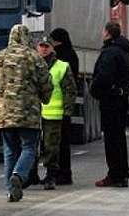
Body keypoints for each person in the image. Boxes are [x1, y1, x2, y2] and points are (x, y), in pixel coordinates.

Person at [0, 24, 52, 203]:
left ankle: (11, 191)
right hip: (29, 113)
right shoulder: (35, 58)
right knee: (29, 148)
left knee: (10, 151)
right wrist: (45, 98)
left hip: (4, 114)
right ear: (28, 38)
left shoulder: (0, 57)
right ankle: (19, 175)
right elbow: (46, 84)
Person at [91, 22, 129, 188]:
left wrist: (95, 91)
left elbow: (104, 77)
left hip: (111, 100)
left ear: (108, 33)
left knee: (111, 139)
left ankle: (115, 175)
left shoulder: (110, 53)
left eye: (103, 31)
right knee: (120, 137)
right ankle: (123, 173)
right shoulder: (124, 51)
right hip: (122, 99)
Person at [37, 35, 77, 190]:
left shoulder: (62, 66)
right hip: (34, 114)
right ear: (37, 47)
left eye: (47, 46)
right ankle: (32, 175)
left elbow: (70, 90)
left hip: (54, 114)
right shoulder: (32, 65)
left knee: (51, 147)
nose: (44, 49)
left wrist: (67, 111)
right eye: (41, 45)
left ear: (52, 48)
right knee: (34, 146)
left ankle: (51, 175)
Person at [49, 27, 79, 185]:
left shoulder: (60, 58)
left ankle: (61, 173)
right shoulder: (72, 55)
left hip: (56, 107)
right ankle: (64, 173)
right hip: (64, 106)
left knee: (57, 143)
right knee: (62, 142)